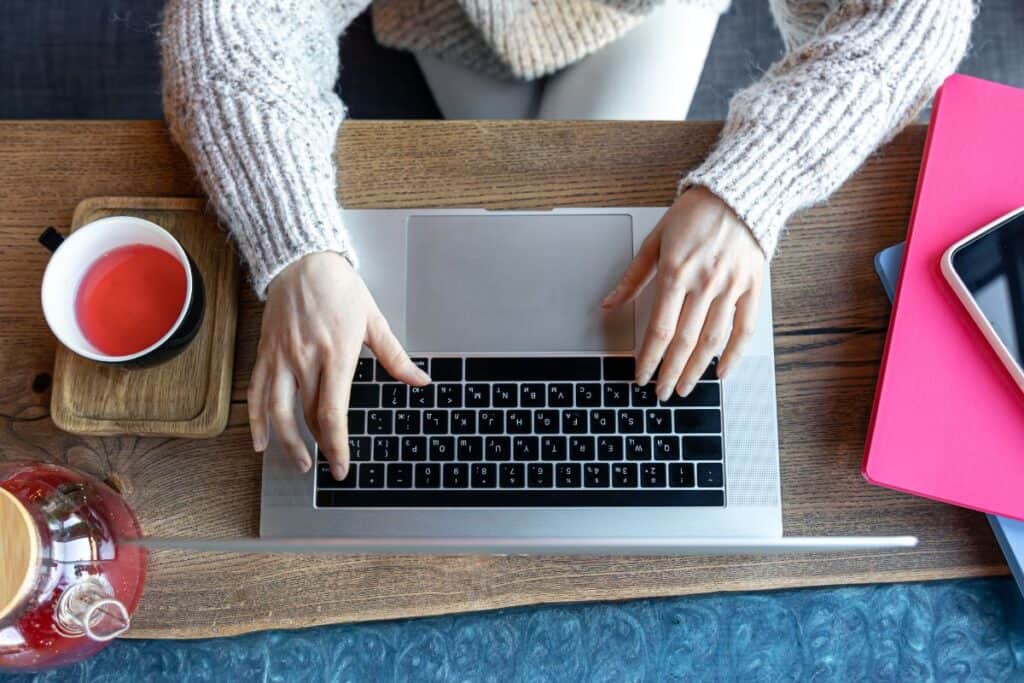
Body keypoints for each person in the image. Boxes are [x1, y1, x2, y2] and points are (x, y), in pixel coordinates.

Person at [161, 0, 974, 481]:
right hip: (452, 20)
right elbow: (225, 21)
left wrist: (748, 189)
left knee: (578, 267)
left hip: (645, 11)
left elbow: (919, 16)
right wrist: (298, 251)